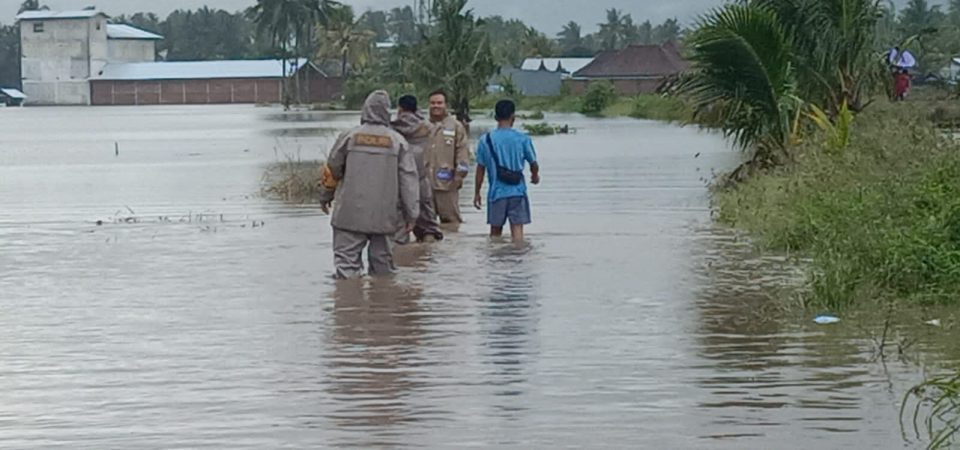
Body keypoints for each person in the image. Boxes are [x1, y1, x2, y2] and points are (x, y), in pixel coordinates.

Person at [322, 90, 419, 279]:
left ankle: (348, 303)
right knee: (383, 272)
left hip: (349, 215)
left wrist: (325, 196)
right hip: (384, 216)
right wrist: (412, 214)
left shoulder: (348, 137)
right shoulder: (397, 142)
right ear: (387, 112)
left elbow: (332, 170)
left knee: (346, 269)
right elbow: (409, 181)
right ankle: (382, 304)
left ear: (364, 109)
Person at [473, 99, 540, 244]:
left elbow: (480, 169)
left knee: (495, 234)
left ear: (496, 117)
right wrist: (535, 176)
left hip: (496, 193)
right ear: (513, 117)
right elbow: (533, 163)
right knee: (518, 234)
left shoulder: (486, 140)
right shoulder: (523, 139)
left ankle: (496, 264)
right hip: (518, 192)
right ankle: (517, 261)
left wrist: (477, 192)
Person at [391, 94, 444, 244]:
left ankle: (402, 259)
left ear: (400, 109)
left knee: (399, 227)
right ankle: (427, 256)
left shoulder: (392, 129)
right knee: (428, 227)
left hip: (398, 182)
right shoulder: (428, 127)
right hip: (421, 179)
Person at [425, 89, 470, 225]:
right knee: (426, 225)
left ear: (446, 105)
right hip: (425, 186)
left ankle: (450, 247)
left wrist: (459, 177)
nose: (436, 106)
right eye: (433, 103)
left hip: (447, 185)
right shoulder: (422, 126)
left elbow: (462, 154)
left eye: (439, 103)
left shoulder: (456, 127)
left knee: (452, 224)